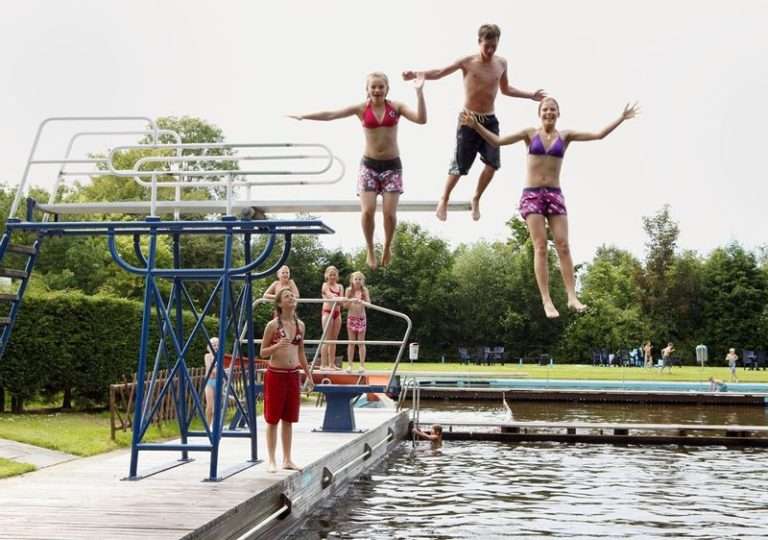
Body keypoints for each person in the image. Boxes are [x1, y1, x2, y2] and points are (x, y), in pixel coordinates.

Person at [461, 97, 639, 318]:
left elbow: (598, 135)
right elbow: (497, 141)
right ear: (540, 113)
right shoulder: (529, 134)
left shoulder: (565, 136)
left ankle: (572, 297)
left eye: (553, 109)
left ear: (558, 113)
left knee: (563, 245)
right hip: (532, 194)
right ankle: (546, 300)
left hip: (554, 194)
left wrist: (621, 118)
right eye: (545, 109)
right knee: (541, 246)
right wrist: (476, 125)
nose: (549, 112)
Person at [402, 23, 545, 222]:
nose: (490, 50)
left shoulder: (501, 63)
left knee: (493, 164)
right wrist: (417, 74)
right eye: (487, 46)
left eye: (494, 46)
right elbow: (440, 71)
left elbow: (506, 89)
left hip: (489, 119)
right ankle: (444, 198)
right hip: (468, 119)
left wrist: (530, 95)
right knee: (460, 164)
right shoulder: (467, 62)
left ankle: (476, 197)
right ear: (479, 42)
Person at [288, 72, 427, 269]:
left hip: (392, 167)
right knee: (368, 211)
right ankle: (370, 248)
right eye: (373, 87)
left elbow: (421, 119)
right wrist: (304, 116)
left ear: (387, 89)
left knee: (389, 214)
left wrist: (419, 93)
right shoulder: (361, 109)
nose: (377, 90)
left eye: (381, 87)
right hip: (369, 165)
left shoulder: (396, 107)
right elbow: (331, 114)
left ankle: (387, 246)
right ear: (367, 89)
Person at [260, 288, 314, 473]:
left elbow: (300, 352)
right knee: (273, 419)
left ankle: (287, 459)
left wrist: (308, 374)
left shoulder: (300, 325)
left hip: (292, 375)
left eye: (292, 296)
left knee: (289, 419)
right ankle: (271, 460)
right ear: (280, 303)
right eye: (287, 296)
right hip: (276, 374)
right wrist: (276, 346)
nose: (291, 298)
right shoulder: (273, 326)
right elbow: (262, 352)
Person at [345, 271, 370, 373]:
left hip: (361, 318)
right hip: (351, 317)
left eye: (360, 279)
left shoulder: (365, 291)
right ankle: (350, 365)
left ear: (363, 281)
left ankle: (362, 365)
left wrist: (362, 300)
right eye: (356, 279)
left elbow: (369, 304)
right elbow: (344, 305)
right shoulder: (348, 290)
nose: (358, 281)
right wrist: (351, 300)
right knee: (351, 342)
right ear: (352, 280)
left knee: (361, 343)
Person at [320, 266, 344, 370]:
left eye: (334, 275)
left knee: (334, 340)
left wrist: (339, 299)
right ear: (326, 276)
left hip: (337, 313)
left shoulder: (340, 287)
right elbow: (329, 296)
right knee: (326, 339)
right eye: (330, 275)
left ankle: (331, 364)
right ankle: (323, 364)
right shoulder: (325, 285)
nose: (332, 277)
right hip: (327, 312)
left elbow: (341, 302)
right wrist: (337, 298)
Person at [203, 336, 220, 427]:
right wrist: (218, 370)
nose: (215, 347)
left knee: (216, 406)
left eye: (217, 345)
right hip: (209, 381)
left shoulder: (221, 356)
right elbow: (210, 370)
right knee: (209, 406)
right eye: (213, 345)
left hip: (218, 381)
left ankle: (215, 425)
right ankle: (208, 425)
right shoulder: (207, 356)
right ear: (209, 347)